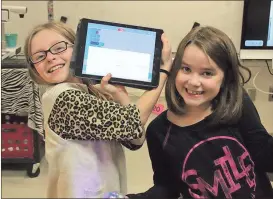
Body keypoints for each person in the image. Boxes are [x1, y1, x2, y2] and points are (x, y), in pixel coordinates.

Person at [24, 21, 172, 198]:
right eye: (39, 56)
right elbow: (132, 124)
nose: (50, 57)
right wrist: (163, 71)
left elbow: (134, 140)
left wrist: (121, 97)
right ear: (34, 67)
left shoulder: (89, 92)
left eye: (58, 48)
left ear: (78, 47)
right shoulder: (61, 98)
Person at [126, 26, 273, 199]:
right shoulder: (158, 131)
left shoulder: (237, 104)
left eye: (207, 73)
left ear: (226, 77)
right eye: (186, 69)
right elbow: (167, 187)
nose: (194, 82)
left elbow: (264, 155)